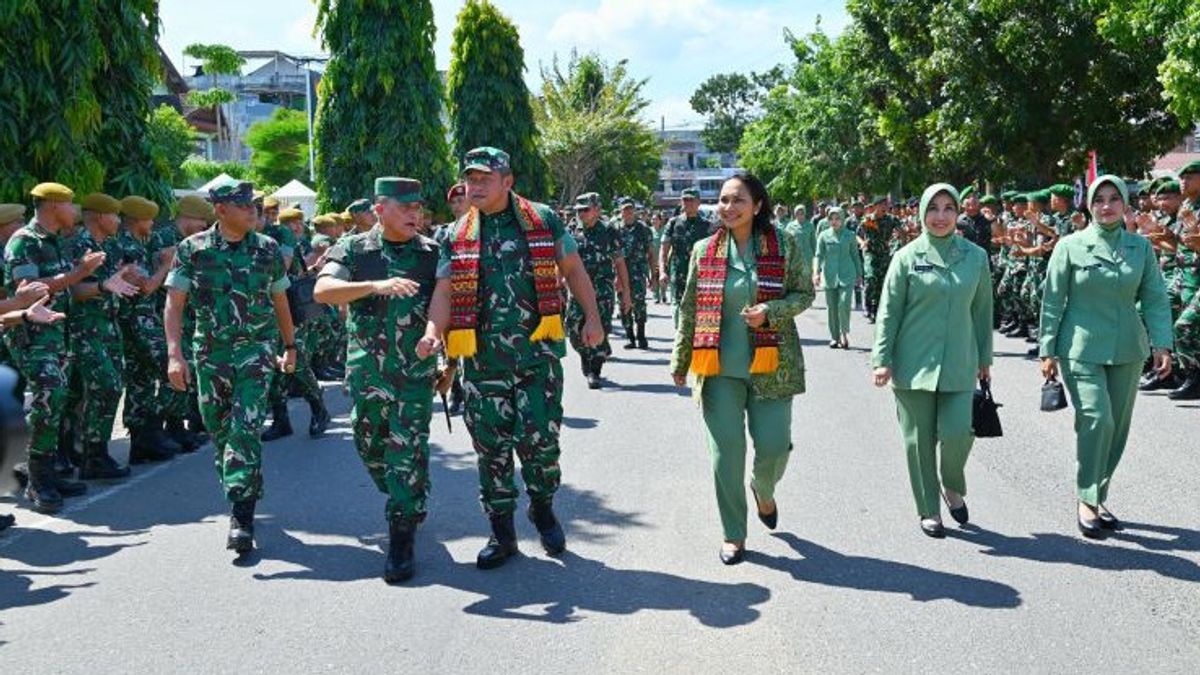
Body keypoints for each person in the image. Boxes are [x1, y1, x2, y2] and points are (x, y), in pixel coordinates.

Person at [420, 146, 604, 570]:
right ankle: (501, 533)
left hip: (537, 358)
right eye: (471, 178)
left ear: (508, 181)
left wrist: (591, 316)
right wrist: (434, 333)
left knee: (541, 445)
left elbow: (574, 270)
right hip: (482, 365)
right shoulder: (455, 234)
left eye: (486, 178)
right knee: (491, 450)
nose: (476, 185)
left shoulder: (542, 221)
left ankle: (542, 506)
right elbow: (445, 292)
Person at [670, 172, 815, 565]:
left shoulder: (785, 244)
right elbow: (689, 308)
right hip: (718, 369)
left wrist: (771, 311)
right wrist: (680, 359)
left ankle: (763, 490)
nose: (728, 207)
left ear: (758, 206)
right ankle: (733, 533)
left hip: (773, 366)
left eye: (737, 200)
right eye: (723, 200)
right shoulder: (705, 250)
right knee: (725, 456)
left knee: (772, 446)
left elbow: (805, 294)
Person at [314, 176, 443, 583]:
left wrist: (433, 334)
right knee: (369, 446)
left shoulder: (430, 253)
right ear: (380, 207)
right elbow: (323, 290)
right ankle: (407, 493)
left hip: (414, 375)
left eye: (418, 208)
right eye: (405, 207)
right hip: (368, 373)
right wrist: (375, 286)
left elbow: (446, 300)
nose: (414, 215)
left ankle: (401, 537)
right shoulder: (354, 248)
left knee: (405, 450)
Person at [164, 178, 296, 554]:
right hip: (210, 354)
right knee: (220, 431)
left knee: (245, 427)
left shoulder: (267, 249)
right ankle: (240, 489)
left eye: (254, 204)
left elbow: (281, 301)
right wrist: (175, 354)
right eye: (244, 206)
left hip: (256, 351)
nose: (253, 211)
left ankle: (242, 514)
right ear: (221, 211)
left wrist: (290, 346)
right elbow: (174, 304)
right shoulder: (194, 249)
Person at [1039, 175, 1173, 539]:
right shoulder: (1070, 246)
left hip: (1128, 348)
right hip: (1080, 348)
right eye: (1100, 199)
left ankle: (1098, 495)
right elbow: (1053, 300)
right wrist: (1047, 348)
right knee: (1097, 419)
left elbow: (1156, 297)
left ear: (1125, 205)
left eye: (1115, 199)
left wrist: (1162, 343)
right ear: (1088, 204)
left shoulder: (1139, 248)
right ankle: (1086, 498)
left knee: (1118, 428)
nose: (1107, 205)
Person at [871, 184, 994, 538]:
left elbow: (983, 310)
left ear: (958, 213)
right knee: (918, 440)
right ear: (922, 213)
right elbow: (889, 312)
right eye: (933, 208)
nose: (940, 216)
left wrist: (985, 357)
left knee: (959, 432)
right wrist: (882, 359)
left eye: (948, 208)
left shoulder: (975, 257)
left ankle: (951, 483)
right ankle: (929, 509)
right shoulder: (906, 257)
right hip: (913, 363)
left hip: (959, 361)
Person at [4, 183, 101, 512]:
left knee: (57, 400)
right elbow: (30, 290)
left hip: (58, 331)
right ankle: (35, 477)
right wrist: (79, 273)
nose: (75, 211)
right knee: (47, 397)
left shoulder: (56, 241)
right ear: (53, 206)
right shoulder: (25, 241)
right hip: (32, 332)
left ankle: (47, 470)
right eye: (70, 204)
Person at [68, 193, 141, 479]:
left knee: (111, 386)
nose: (119, 221)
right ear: (100, 216)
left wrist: (123, 278)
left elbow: (110, 285)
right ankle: (90, 454)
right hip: (86, 328)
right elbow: (76, 291)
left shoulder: (106, 246)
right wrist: (104, 285)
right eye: (115, 215)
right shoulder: (80, 245)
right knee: (105, 386)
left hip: (107, 326)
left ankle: (93, 453)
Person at [567, 192, 632, 388]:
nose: (581, 214)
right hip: (577, 288)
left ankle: (594, 370)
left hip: (602, 289)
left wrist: (626, 292)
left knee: (601, 328)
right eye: (578, 210)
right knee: (572, 328)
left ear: (596, 210)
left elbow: (619, 262)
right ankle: (587, 358)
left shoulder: (609, 231)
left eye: (585, 210)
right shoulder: (571, 229)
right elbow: (563, 256)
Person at [661, 188, 714, 323]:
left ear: (698, 202)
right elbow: (664, 249)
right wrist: (662, 271)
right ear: (681, 202)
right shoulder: (673, 223)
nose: (688, 203)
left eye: (691, 200)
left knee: (699, 314)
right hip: (679, 275)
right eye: (685, 200)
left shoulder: (708, 225)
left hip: (701, 277)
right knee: (679, 313)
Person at [813, 207, 862, 348]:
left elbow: (855, 256)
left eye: (837, 218)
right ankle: (834, 337)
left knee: (844, 303)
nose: (834, 222)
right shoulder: (823, 235)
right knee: (832, 308)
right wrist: (816, 272)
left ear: (842, 219)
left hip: (847, 275)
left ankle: (844, 333)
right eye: (831, 219)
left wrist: (859, 274)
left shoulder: (850, 235)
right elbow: (818, 255)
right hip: (829, 276)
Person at [616, 198, 654, 350]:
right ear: (621, 212)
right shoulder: (615, 230)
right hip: (620, 274)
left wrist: (653, 274)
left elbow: (651, 252)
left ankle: (641, 336)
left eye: (630, 209)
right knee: (624, 305)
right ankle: (630, 337)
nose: (628, 212)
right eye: (625, 209)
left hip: (638, 273)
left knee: (639, 305)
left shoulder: (643, 229)